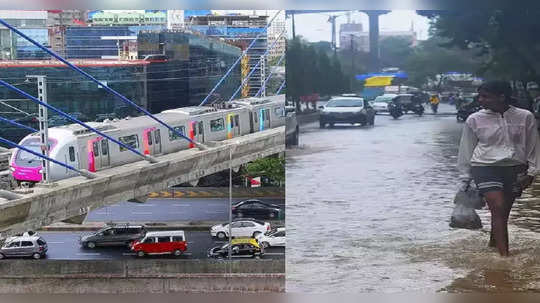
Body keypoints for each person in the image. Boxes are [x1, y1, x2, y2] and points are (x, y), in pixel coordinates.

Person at [457, 80, 540, 256]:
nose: (480, 100)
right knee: (498, 206)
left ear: (502, 97)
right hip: (485, 167)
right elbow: (466, 149)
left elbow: (533, 146)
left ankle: (493, 245)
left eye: (485, 96)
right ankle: (504, 259)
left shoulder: (525, 116)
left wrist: (532, 173)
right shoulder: (474, 119)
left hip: (515, 168)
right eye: (479, 96)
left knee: (502, 212)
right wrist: (465, 179)